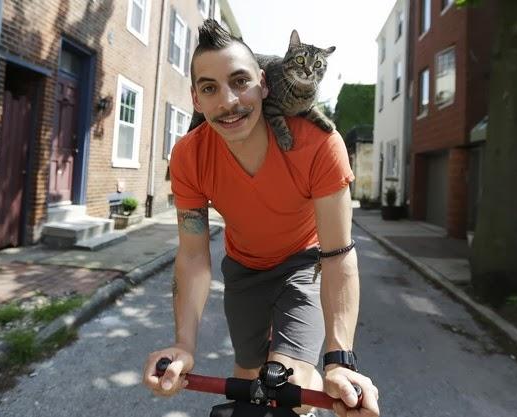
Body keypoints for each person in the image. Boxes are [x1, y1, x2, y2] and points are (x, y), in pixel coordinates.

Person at [142, 19, 380, 417]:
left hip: (303, 264)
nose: (229, 101)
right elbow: (194, 256)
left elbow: (338, 253)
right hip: (244, 269)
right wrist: (184, 345)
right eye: (209, 88)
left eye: (240, 81)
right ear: (196, 100)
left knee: (291, 385)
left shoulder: (321, 144)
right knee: (249, 381)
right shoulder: (188, 155)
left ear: (265, 84)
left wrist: (340, 359)